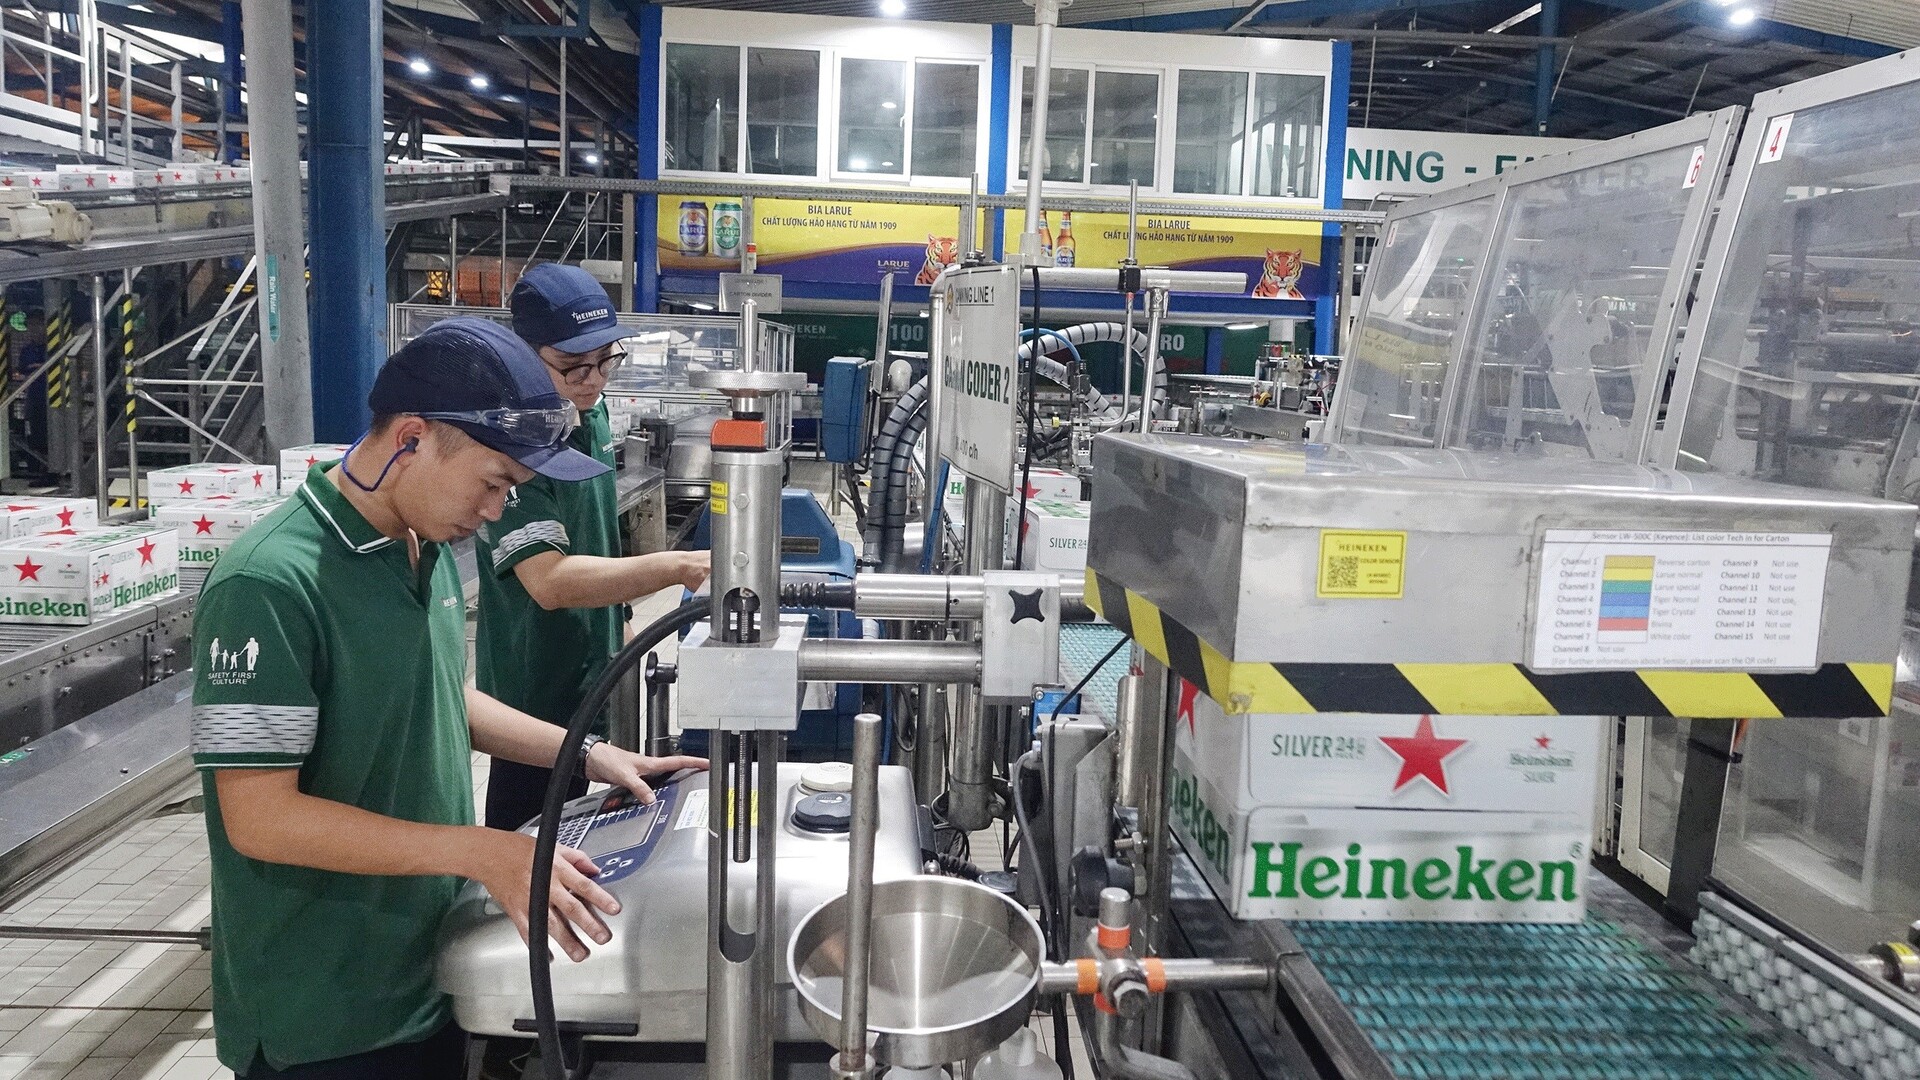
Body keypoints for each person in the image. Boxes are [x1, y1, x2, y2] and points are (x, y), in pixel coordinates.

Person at [190, 317, 706, 1078]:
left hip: (421, 969)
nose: (497, 511)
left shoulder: (418, 546)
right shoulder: (269, 583)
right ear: (411, 438)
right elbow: (259, 818)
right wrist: (478, 849)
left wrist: (591, 756)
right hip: (325, 1009)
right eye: (493, 483)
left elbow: (441, 696)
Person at [476, 263, 710, 831]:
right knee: (532, 843)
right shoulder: (514, 437)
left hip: (595, 684)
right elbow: (549, 581)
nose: (594, 378)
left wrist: (623, 623)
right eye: (573, 365)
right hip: (537, 697)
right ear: (525, 353)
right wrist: (674, 565)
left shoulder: (591, 411)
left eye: (606, 359)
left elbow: (595, 533)